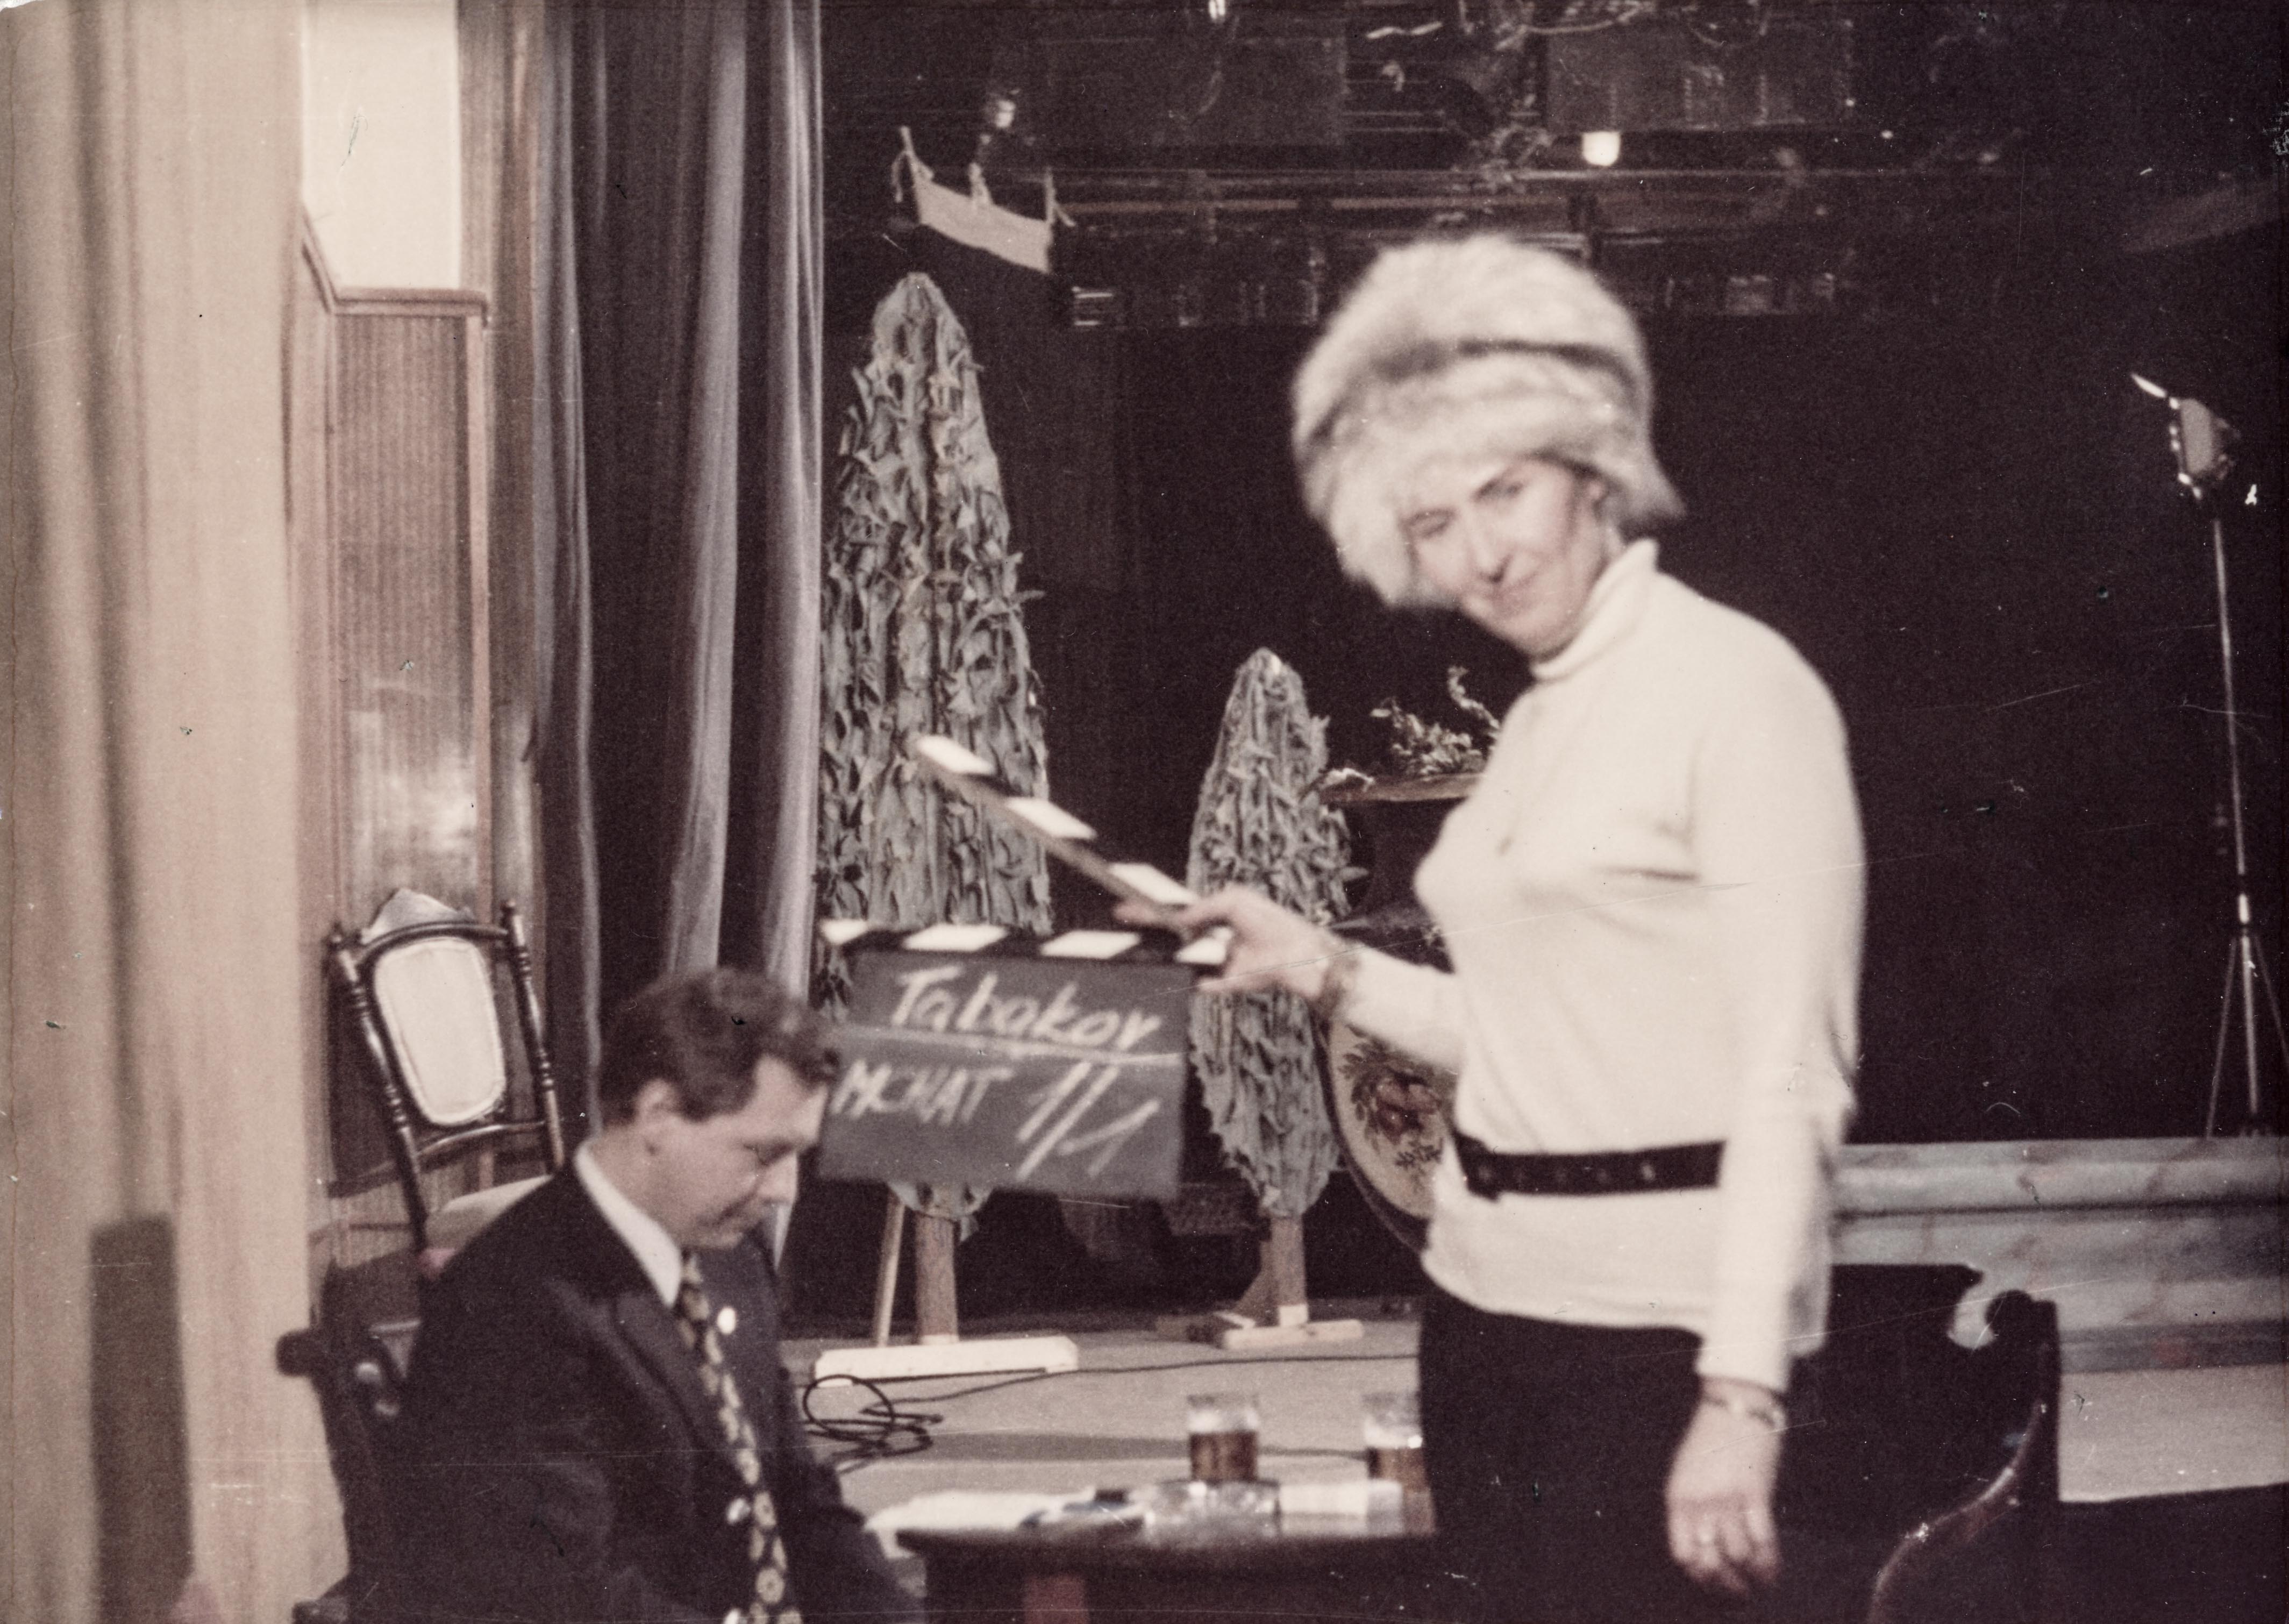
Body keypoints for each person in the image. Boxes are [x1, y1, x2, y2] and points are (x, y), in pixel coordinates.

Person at [1137, 237, 1864, 1622]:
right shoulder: (1540, 719)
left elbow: (1793, 1072)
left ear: (1591, 465)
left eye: (1503, 490)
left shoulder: (1736, 689)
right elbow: (1529, 1037)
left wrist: (1742, 1391)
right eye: (1429, 522)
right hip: (1481, 1313)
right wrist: (1320, 965)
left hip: (1661, 1343)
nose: (1480, 552)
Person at [393, 968, 919, 1624]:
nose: (785, 1189)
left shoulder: (730, 1255)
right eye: (765, 1152)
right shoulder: (515, 1299)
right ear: (659, 1116)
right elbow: (564, 1595)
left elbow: (798, 1497)